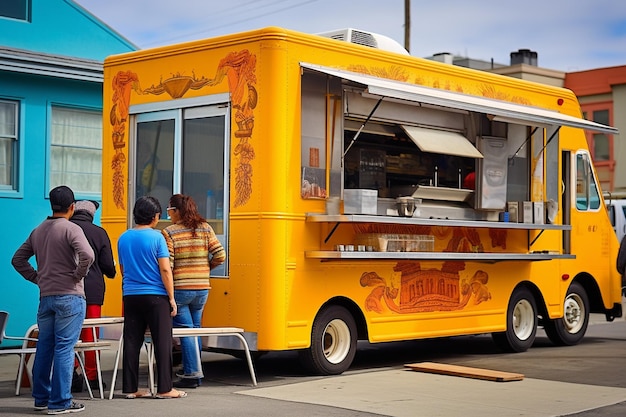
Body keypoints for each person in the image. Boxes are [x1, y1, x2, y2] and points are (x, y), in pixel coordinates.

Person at [11, 185, 94, 414]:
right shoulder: (71, 228)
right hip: (70, 297)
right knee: (65, 349)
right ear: (72, 207)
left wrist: (38, 278)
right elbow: (88, 255)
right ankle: (60, 402)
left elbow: (17, 260)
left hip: (46, 298)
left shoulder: (38, 230)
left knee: (45, 348)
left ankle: (41, 399)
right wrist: (77, 275)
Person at [117, 196, 186, 399]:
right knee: (162, 341)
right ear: (155, 217)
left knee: (132, 341)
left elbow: (123, 268)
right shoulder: (157, 238)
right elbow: (165, 269)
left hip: (131, 295)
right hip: (156, 296)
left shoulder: (123, 237)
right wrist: (171, 298)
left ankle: (131, 389)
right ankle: (165, 388)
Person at [162, 194, 226, 389]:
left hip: (181, 288)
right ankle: (195, 371)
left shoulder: (169, 232)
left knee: (187, 332)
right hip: (202, 289)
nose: (168, 215)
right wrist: (205, 268)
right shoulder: (205, 228)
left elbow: (169, 264)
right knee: (195, 329)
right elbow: (220, 255)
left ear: (177, 211)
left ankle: (192, 373)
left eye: (169, 211)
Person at [69, 200, 117, 392]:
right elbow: (107, 266)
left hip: (69, 287)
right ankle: (91, 376)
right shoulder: (99, 233)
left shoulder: (66, 228)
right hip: (93, 290)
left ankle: (70, 373)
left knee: (69, 332)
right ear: (92, 214)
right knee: (90, 335)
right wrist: (111, 271)